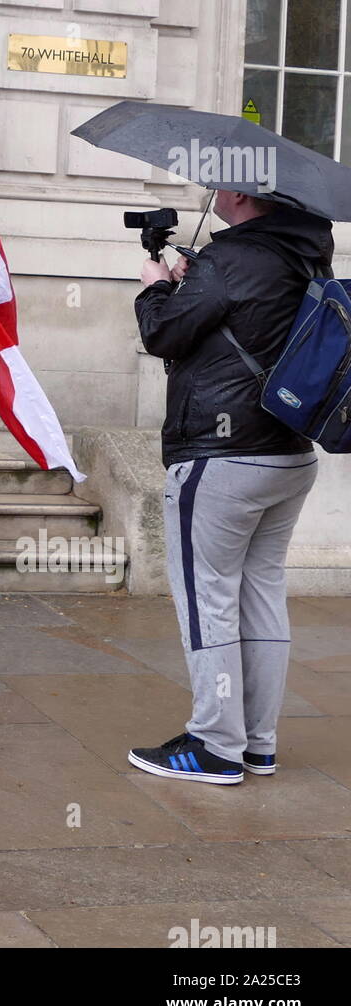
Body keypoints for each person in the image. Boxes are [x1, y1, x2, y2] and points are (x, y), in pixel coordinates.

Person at [128, 191, 335, 785]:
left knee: (207, 602)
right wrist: (193, 278)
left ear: (241, 195)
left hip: (220, 457)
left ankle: (216, 745)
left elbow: (164, 334)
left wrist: (154, 285)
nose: (210, 193)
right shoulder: (304, 255)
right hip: (288, 455)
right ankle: (256, 743)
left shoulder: (231, 260)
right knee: (262, 597)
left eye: (218, 183)